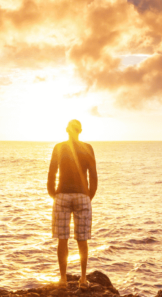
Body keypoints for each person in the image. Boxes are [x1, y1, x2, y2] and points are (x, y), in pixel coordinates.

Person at [47, 119, 98, 288]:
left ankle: (63, 279)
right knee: (82, 239)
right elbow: (93, 175)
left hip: (62, 196)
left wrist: (53, 193)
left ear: (67, 130)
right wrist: (89, 195)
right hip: (82, 196)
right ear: (80, 130)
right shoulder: (88, 148)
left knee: (63, 239)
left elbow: (52, 172)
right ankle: (83, 279)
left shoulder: (59, 147)